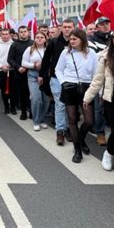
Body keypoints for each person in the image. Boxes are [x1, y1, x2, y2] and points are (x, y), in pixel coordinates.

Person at [83, 28, 114, 175]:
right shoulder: (106, 57)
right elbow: (98, 79)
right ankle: (109, 154)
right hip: (112, 97)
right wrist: (88, 97)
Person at [56, 29, 98, 163]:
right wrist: (63, 82)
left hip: (86, 88)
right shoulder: (65, 53)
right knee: (72, 120)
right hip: (69, 87)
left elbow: (96, 72)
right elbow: (58, 69)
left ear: (82, 39)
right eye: (70, 39)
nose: (71, 41)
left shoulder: (91, 53)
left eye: (75, 39)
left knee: (89, 121)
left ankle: (80, 139)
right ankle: (77, 150)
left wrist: (94, 88)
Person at [39, 18, 75, 146]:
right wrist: (41, 75)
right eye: (64, 27)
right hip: (55, 78)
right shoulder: (54, 42)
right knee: (60, 105)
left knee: (70, 106)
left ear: (73, 28)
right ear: (61, 28)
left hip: (72, 79)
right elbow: (46, 60)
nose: (66, 29)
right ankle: (60, 131)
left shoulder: (77, 42)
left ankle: (69, 129)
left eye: (69, 27)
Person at [88, 16, 112, 146]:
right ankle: (100, 132)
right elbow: (95, 58)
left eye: (107, 23)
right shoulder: (91, 40)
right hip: (100, 77)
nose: (106, 26)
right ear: (97, 27)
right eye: (102, 24)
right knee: (99, 108)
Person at [22, 32, 49, 131]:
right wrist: (34, 65)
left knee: (45, 100)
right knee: (36, 98)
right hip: (33, 76)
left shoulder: (48, 49)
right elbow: (23, 62)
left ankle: (42, 119)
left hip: (46, 77)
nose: (39, 39)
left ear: (46, 39)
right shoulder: (30, 49)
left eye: (42, 37)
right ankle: (36, 121)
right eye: (37, 37)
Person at [7, 26, 33, 120]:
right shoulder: (14, 45)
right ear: (18, 33)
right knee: (23, 94)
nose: (23, 33)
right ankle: (23, 112)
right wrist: (18, 67)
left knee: (32, 93)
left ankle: (31, 111)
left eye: (25, 31)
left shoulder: (33, 43)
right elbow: (10, 59)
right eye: (21, 32)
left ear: (28, 32)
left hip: (32, 72)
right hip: (20, 73)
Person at [0, 29, 14, 114]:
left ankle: (13, 107)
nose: (5, 36)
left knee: (13, 90)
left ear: (10, 35)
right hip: (1, 71)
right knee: (4, 90)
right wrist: (1, 66)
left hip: (12, 70)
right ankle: (6, 107)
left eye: (6, 34)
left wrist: (11, 65)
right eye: (3, 34)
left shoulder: (13, 44)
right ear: (0, 35)